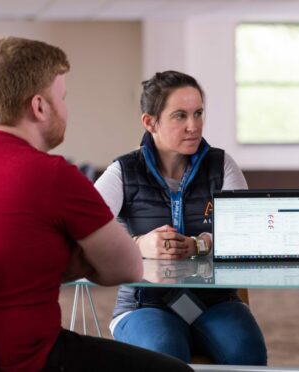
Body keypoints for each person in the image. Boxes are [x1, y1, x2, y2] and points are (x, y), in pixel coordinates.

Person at [0, 37, 191, 372]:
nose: (65, 109)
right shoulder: (53, 175)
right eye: (62, 99)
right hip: (31, 361)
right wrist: (70, 259)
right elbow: (126, 268)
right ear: (39, 107)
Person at [94, 70, 267, 365]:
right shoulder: (123, 171)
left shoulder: (222, 165)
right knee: (165, 353)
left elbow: (248, 234)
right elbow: (87, 232)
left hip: (215, 302)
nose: (193, 126)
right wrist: (138, 245)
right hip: (143, 304)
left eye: (198, 113)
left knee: (247, 352)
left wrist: (202, 244)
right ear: (150, 122)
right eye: (180, 116)